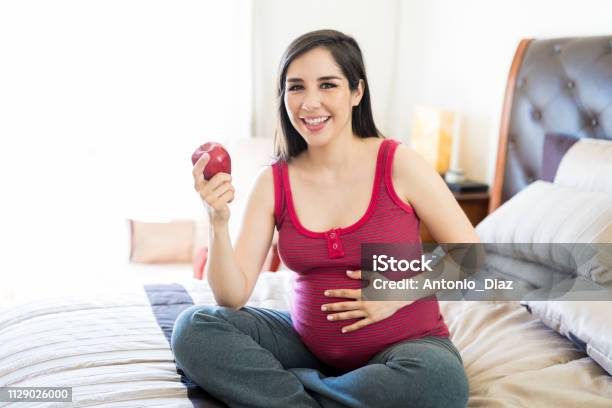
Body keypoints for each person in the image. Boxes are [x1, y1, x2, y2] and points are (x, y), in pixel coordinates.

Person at [172, 29, 476, 408]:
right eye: (295, 87)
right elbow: (231, 296)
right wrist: (217, 221)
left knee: (441, 384)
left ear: (356, 92)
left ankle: (292, 394)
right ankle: (328, 395)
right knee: (193, 328)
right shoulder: (273, 181)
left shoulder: (398, 163)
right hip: (307, 346)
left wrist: (393, 295)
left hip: (407, 350)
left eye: (328, 85)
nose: (309, 103)